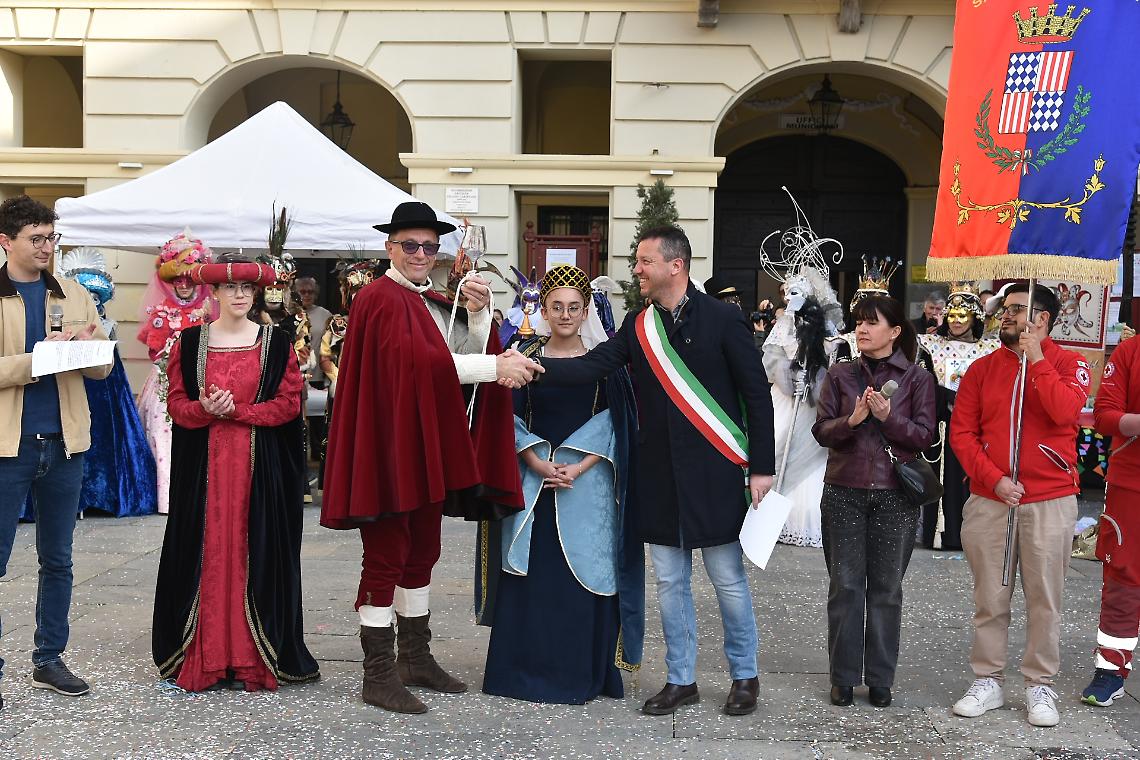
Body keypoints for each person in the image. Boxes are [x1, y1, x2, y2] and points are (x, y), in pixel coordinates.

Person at [536, 225, 775, 718]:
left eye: (644, 261)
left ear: (675, 265)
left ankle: (744, 676)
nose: (637, 269)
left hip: (716, 471)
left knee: (727, 578)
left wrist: (762, 468)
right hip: (660, 476)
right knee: (669, 582)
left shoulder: (724, 318)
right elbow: (591, 365)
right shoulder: (638, 324)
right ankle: (680, 679)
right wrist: (529, 365)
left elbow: (756, 394)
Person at [321, 201, 539, 714]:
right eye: (411, 245)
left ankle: (414, 657)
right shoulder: (378, 298)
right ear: (389, 248)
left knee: (422, 551)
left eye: (429, 246)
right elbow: (419, 362)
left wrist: (478, 312)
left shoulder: (426, 300)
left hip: (421, 447)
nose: (421, 254)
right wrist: (496, 365)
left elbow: (453, 346)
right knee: (385, 556)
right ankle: (377, 674)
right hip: (388, 449)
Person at [477, 264, 643, 704]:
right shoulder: (521, 354)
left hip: (586, 488)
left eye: (574, 307)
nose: (566, 314)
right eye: (557, 307)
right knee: (533, 575)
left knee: (582, 577)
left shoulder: (605, 362)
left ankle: (580, 673)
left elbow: (617, 424)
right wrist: (535, 460)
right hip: (534, 484)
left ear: (586, 309)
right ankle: (520, 672)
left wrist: (578, 466)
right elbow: (506, 417)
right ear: (544, 311)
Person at [152, 258, 319, 692]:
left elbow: (287, 405)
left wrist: (238, 411)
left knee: (253, 551)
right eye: (230, 289)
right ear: (216, 294)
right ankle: (205, 654)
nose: (240, 295)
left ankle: (248, 655)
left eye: (247, 288)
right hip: (202, 476)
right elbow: (176, 404)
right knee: (204, 553)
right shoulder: (189, 344)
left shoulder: (277, 342)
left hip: (258, 476)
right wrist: (205, 409)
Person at [949, 283, 1087, 728]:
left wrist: (1038, 360)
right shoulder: (981, 369)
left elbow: (1065, 412)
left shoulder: (1071, 363)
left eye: (1016, 309)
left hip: (1050, 499)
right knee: (990, 595)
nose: (1004, 315)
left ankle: (1039, 685)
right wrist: (994, 478)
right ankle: (987, 679)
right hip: (991, 499)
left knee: (1045, 598)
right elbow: (962, 435)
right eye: (1004, 309)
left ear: (1042, 318)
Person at [0, 195, 112, 707]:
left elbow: (103, 370)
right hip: (7, 445)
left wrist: (86, 347)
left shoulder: (73, 292)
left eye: (52, 237)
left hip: (66, 443)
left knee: (59, 560)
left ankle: (49, 657)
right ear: (7, 242)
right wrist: (38, 360)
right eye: (37, 239)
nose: (48, 247)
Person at [811, 295, 935, 709]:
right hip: (843, 491)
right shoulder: (841, 374)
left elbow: (923, 436)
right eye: (858, 322)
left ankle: (880, 679)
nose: (861, 329)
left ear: (895, 331)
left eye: (871, 322)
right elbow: (822, 431)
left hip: (894, 495)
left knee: (886, 588)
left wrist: (887, 418)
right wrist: (853, 420)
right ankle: (843, 677)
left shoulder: (917, 378)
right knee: (845, 586)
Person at [58, 247, 157, 517]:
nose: (90, 300)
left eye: (94, 295)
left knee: (106, 432)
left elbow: (109, 361)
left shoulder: (107, 324)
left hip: (105, 384)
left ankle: (104, 495)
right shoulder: (66, 320)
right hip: (74, 382)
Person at [763, 266, 843, 548]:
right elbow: (771, 360)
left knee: (811, 458)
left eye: (794, 293)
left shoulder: (824, 327)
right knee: (775, 449)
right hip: (785, 401)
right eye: (786, 293)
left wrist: (812, 378)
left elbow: (833, 359)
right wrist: (789, 377)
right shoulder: (783, 325)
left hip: (812, 405)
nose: (788, 299)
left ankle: (803, 519)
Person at [136, 231, 215, 514]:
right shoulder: (161, 311)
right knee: (162, 430)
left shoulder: (209, 311)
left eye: (188, 279)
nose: (183, 285)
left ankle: (201, 493)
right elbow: (154, 352)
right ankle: (168, 498)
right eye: (177, 280)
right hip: (165, 381)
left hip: (201, 379)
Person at [1081, 330, 1140, 706]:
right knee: (1123, 576)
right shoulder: (1130, 351)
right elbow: (1104, 415)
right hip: (1131, 483)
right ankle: (1111, 671)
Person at [916, 283, 999, 550]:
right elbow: (921, 382)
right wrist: (944, 398)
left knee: (968, 479)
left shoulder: (989, 349)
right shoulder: (930, 344)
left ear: (975, 316)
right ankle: (936, 534)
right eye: (952, 314)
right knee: (938, 478)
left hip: (975, 427)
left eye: (963, 314)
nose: (956, 320)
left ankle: (966, 535)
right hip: (941, 426)